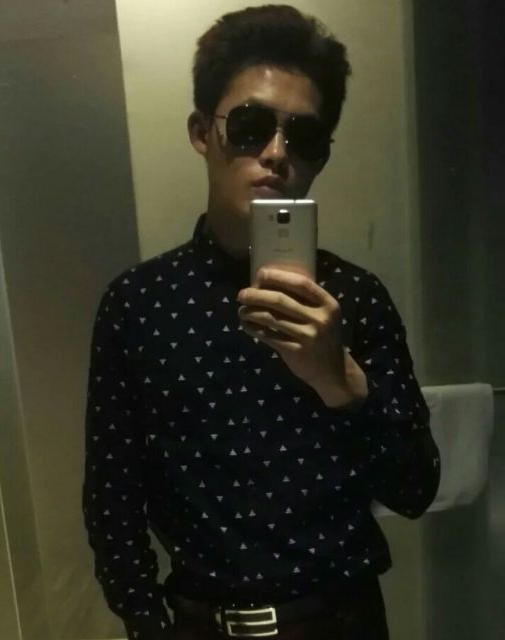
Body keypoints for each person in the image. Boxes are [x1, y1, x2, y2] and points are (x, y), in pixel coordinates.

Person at [82, 5, 440, 640]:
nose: (277, 154)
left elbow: (415, 489)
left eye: (305, 138)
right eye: (250, 126)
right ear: (202, 131)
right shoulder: (138, 305)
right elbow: (113, 494)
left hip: (343, 623)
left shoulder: (355, 298)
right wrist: (146, 621)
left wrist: (340, 385)